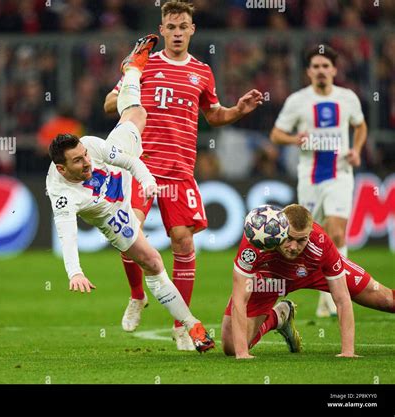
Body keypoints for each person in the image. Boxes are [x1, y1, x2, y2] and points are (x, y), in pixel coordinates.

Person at [104, 0, 263, 350]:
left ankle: (181, 326)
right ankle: (136, 296)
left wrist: (238, 109)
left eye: (183, 27)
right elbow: (107, 104)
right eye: (171, 27)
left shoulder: (202, 72)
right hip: (140, 165)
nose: (177, 33)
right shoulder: (144, 65)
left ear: (192, 30)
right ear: (162, 30)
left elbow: (214, 114)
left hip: (179, 172)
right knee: (128, 235)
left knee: (184, 242)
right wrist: (130, 88)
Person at [46, 34, 215, 353]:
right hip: (110, 213)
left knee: (137, 114)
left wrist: (147, 180)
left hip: (124, 175)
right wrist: (75, 272)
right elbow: (67, 234)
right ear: (62, 169)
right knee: (151, 260)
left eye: (84, 155)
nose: (86, 163)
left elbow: (128, 160)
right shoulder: (63, 195)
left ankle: (132, 69)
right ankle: (140, 296)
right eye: (78, 161)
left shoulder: (92, 147)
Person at [221, 204, 394, 359]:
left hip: (314, 271)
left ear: (310, 233)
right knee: (231, 346)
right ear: (280, 230)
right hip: (270, 279)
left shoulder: (321, 243)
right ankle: (279, 316)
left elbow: (341, 298)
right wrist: (242, 353)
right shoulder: (258, 241)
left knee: (386, 300)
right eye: (289, 239)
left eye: (301, 240)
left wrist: (347, 351)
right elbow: (239, 298)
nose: (294, 247)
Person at [270, 45, 368, 318]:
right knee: (315, 236)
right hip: (310, 177)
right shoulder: (298, 101)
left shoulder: (347, 98)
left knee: (337, 233)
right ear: (308, 71)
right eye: (316, 66)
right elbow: (276, 134)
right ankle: (326, 296)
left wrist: (357, 150)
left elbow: (360, 126)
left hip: (340, 174)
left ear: (334, 70)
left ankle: (341, 295)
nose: (321, 71)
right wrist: (294, 139)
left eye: (326, 66)